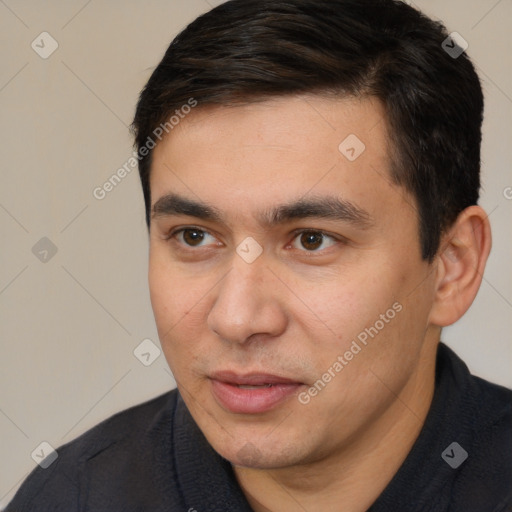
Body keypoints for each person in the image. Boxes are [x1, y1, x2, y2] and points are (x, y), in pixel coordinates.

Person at [7, 0, 511, 510]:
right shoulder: (71, 499)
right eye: (194, 237)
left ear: (453, 267)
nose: (236, 318)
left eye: (312, 240)